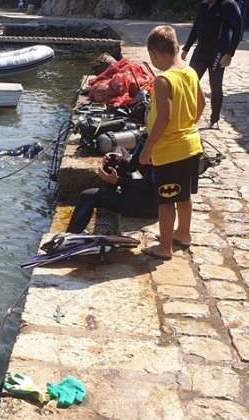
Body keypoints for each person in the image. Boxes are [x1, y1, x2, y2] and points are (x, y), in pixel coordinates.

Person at [140, 26, 205, 260]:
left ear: (154, 54)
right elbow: (202, 103)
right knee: (184, 195)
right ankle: (183, 234)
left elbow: (164, 118)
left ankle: (165, 247)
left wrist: (147, 148)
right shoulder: (190, 71)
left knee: (166, 200)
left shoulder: (163, 80)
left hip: (170, 151)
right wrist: (188, 124)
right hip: (191, 145)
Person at [66, 142, 156, 234]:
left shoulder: (161, 145)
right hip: (143, 189)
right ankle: (110, 194)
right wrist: (118, 159)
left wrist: (117, 181)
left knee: (87, 196)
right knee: (116, 153)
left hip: (150, 204)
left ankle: (70, 236)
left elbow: (150, 185)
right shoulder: (148, 137)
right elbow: (132, 165)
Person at [181, 0, 243, 129]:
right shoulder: (203, 6)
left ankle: (214, 119)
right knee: (189, 82)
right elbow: (196, 27)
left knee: (215, 85)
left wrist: (229, 53)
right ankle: (186, 116)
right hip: (201, 51)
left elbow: (238, 30)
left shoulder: (229, 5)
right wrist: (186, 48)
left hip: (218, 52)